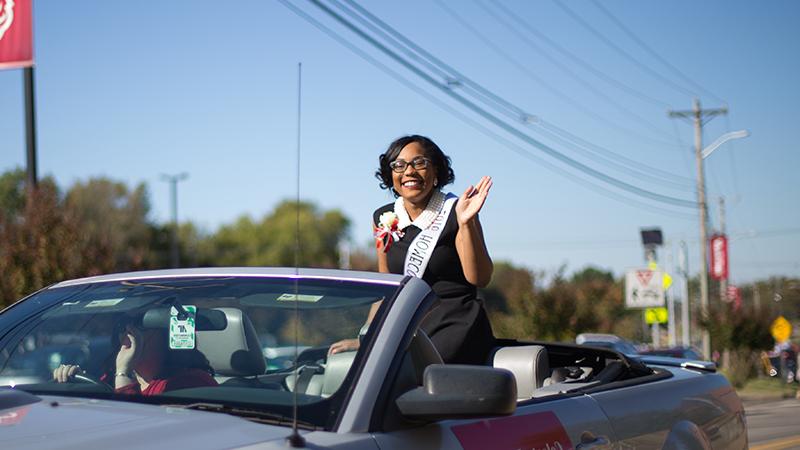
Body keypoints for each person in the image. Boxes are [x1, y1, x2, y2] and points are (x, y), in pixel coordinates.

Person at [330, 135, 496, 364]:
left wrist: (467, 222)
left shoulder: (457, 210)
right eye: (399, 165)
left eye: (419, 163)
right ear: (391, 175)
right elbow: (386, 284)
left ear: (436, 171)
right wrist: (367, 336)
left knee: (401, 374)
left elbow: (480, 278)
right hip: (410, 327)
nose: (409, 171)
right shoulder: (383, 217)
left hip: (456, 327)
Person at [54, 314, 217, 395]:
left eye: (140, 326)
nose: (127, 334)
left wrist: (123, 373)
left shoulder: (192, 383)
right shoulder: (109, 379)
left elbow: (132, 429)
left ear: (166, 335)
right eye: (122, 326)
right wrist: (71, 384)